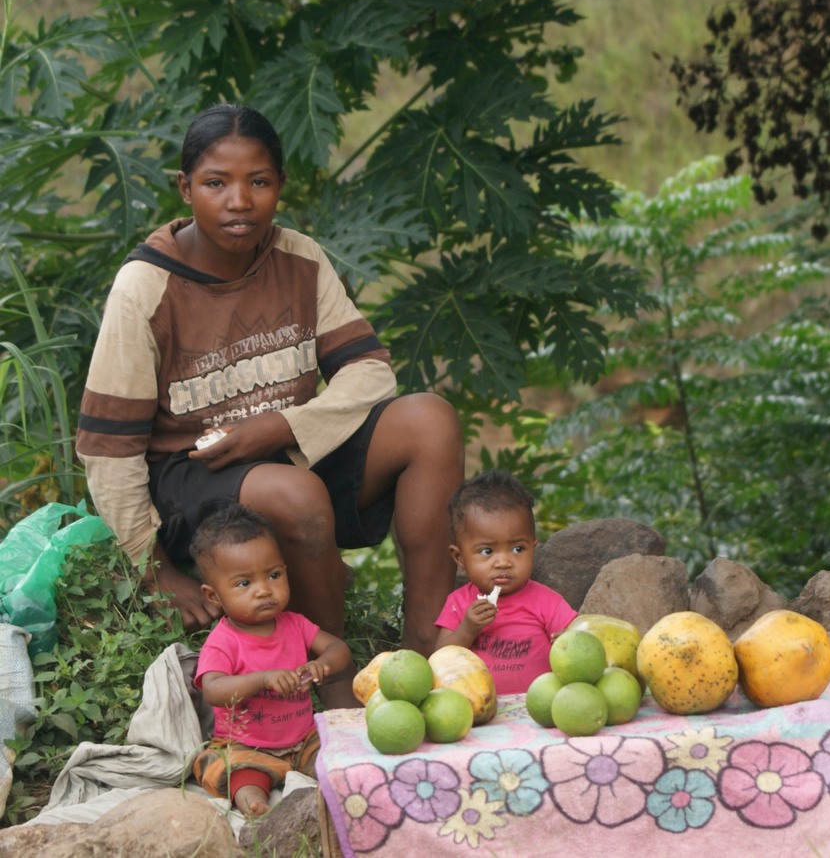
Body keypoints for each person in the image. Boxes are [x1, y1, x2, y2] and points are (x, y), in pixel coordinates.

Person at [75, 103, 464, 708]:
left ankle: (428, 649)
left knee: (429, 420)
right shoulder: (146, 287)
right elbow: (108, 446)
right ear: (185, 188)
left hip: (286, 448)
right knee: (296, 495)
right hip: (192, 479)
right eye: (216, 183)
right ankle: (329, 682)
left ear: (279, 186)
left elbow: (367, 372)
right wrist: (156, 572)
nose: (239, 201)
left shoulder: (298, 258)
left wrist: (283, 424)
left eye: (258, 182)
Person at [189, 504, 350, 817]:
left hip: (303, 740)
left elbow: (339, 649)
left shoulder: (295, 624)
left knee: (336, 754)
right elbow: (213, 688)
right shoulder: (224, 641)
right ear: (213, 596)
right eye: (244, 583)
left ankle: (337, 788)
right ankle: (255, 805)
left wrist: (323, 663)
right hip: (247, 746)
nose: (264, 590)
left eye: (273, 575)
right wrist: (262, 679)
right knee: (237, 772)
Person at [434, 469, 576, 694]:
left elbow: (577, 641)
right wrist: (467, 629)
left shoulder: (547, 602)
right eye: (487, 551)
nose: (503, 562)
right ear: (459, 558)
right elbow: (440, 660)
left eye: (518, 549)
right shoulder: (459, 603)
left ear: (533, 548)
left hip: (539, 708)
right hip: (477, 709)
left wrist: (566, 640)